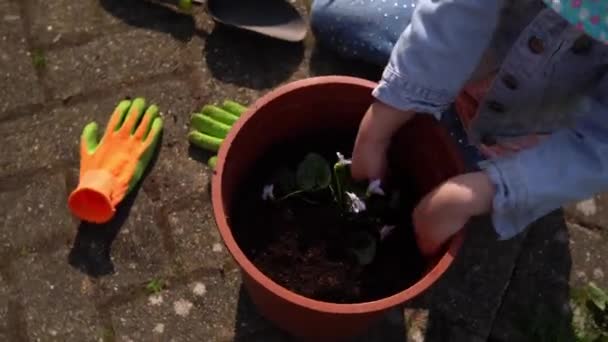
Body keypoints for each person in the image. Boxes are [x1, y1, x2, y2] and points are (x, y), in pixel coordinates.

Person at [309, 0, 608, 256]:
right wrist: (380, 125)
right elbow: (458, 9)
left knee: (435, 176)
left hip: (509, 136)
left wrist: (482, 192)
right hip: (456, 55)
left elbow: (599, 148)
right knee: (331, 13)